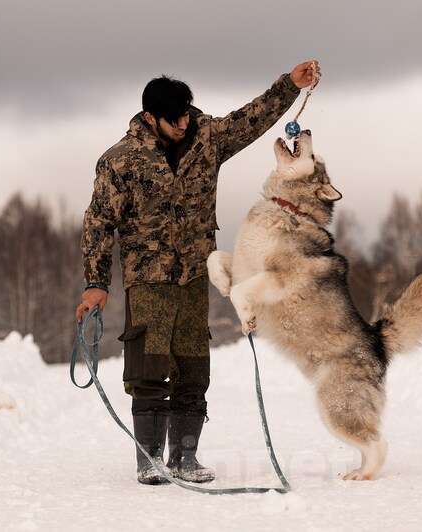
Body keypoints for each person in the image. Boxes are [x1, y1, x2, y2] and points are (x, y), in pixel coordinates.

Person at [76, 60, 321, 485]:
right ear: (150, 117)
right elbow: (99, 223)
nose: (184, 124)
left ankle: (185, 458)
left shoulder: (207, 139)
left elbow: (252, 118)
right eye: (174, 119)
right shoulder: (120, 162)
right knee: (148, 372)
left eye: (187, 114)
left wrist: (289, 85)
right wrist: (96, 284)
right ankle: (150, 461)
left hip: (193, 277)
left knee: (193, 370)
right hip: (148, 280)